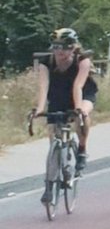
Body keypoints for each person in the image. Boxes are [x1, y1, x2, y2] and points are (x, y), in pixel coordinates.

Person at [31, 28, 97, 175]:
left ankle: (82, 149)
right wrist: (40, 108)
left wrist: (78, 109)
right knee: (53, 132)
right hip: (59, 95)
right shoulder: (46, 62)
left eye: (65, 47)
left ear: (73, 47)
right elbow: (44, 86)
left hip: (83, 93)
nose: (60, 51)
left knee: (83, 115)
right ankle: (53, 175)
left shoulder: (82, 61)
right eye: (56, 47)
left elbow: (78, 86)